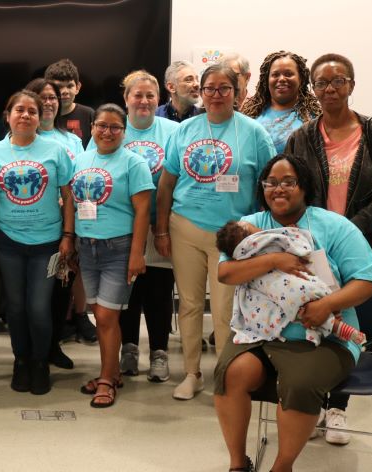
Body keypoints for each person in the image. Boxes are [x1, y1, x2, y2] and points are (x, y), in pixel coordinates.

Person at [213, 153, 372, 472]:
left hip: (324, 336)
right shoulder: (249, 227)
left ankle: (282, 466)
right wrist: (274, 261)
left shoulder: (334, 226)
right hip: (261, 333)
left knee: (299, 384)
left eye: (289, 182)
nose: (279, 189)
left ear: (305, 186)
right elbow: (226, 273)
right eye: (271, 182)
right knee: (230, 372)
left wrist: (326, 305)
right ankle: (237, 463)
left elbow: (367, 283)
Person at [284, 53, 372, 443]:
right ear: (313, 90)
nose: (330, 89)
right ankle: (316, 402)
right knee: (319, 321)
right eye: (322, 83)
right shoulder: (302, 136)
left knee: (354, 324)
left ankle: (338, 408)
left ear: (352, 85)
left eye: (338, 81)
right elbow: (292, 193)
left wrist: (345, 232)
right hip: (314, 248)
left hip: (360, 244)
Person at [155, 63, 276, 401]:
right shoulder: (184, 130)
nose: (217, 95)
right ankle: (192, 373)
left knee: (225, 310)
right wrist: (161, 229)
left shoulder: (255, 133)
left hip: (233, 236)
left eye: (225, 88)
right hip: (185, 228)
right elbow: (166, 184)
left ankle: (225, 377)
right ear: (201, 93)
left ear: (237, 93)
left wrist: (262, 231)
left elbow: (269, 186)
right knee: (190, 305)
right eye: (210, 89)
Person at [86, 71, 180, 380]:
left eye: (149, 95)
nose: (143, 101)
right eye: (136, 95)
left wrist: (163, 227)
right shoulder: (110, 129)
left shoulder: (173, 131)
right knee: (127, 291)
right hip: (121, 229)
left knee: (158, 289)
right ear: (126, 99)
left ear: (159, 99)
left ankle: (159, 352)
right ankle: (128, 348)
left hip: (160, 224)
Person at [0, 90, 74, 394]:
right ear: (7, 115)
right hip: (7, 240)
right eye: (19, 110)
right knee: (16, 308)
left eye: (32, 111)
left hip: (48, 242)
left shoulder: (56, 150)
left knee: (38, 307)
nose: (25, 115)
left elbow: (69, 196)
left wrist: (68, 236)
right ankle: (20, 360)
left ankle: (39, 361)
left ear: (40, 117)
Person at [72, 103, 153, 407]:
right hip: (87, 246)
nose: (107, 132)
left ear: (124, 130)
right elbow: (71, 200)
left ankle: (106, 379)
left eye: (114, 127)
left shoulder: (134, 163)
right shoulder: (80, 159)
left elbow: (143, 210)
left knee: (106, 316)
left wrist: (137, 254)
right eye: (101, 126)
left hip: (118, 248)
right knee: (101, 314)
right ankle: (111, 371)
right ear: (92, 128)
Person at [216, 220, 365, 345]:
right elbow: (294, 245)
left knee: (302, 301)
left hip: (276, 284)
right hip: (282, 285)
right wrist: (284, 244)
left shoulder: (242, 254)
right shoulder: (260, 238)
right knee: (305, 297)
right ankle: (337, 326)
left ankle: (334, 322)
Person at [23, 78, 86, 369]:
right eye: (42, 97)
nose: (49, 102)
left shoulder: (72, 141)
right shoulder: (21, 138)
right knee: (35, 297)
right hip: (36, 229)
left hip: (68, 227)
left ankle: (53, 346)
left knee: (62, 287)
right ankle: (32, 351)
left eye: (52, 98)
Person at [241, 51, 321, 153]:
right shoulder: (250, 114)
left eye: (288, 74)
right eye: (275, 75)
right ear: (267, 79)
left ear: (300, 79)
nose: (282, 79)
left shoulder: (314, 118)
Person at [45, 58, 95, 144]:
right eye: (59, 87)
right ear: (48, 88)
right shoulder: (42, 116)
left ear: (78, 87)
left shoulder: (89, 114)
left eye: (69, 86)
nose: (65, 91)